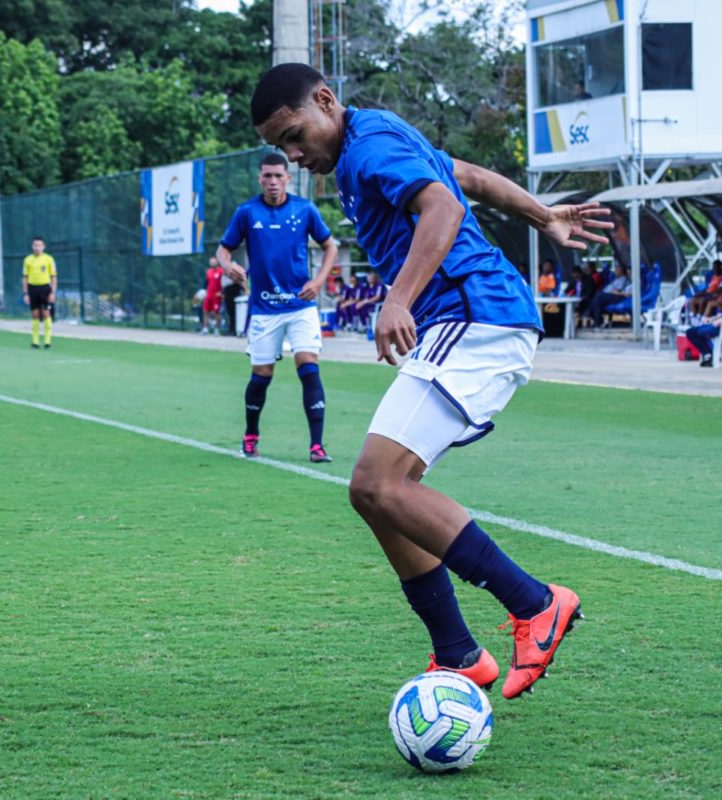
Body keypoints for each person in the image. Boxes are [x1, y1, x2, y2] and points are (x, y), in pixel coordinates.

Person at [250, 63, 611, 699]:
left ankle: (536, 605)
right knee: (376, 493)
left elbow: (443, 204)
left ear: (326, 102)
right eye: (280, 147)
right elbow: (464, 177)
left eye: (295, 135)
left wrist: (399, 299)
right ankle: (458, 652)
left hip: (477, 317)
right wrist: (541, 214)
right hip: (471, 319)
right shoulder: (376, 137)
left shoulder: (367, 150)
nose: (293, 154)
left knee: (377, 482)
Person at [216, 151, 340, 463]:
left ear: (287, 178)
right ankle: (250, 436)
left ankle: (317, 445)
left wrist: (319, 281)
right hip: (264, 309)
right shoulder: (247, 212)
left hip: (300, 306)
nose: (273, 182)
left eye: (278, 176)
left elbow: (330, 246)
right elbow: (223, 250)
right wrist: (227, 265)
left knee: (308, 367)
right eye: (267, 176)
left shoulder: (305, 209)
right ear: (260, 178)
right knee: (262, 374)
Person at [22, 235, 56, 349]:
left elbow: (54, 277)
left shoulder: (49, 259)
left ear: (43, 247)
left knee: (46, 313)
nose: (37, 248)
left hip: (45, 288)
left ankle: (47, 341)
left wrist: (52, 292)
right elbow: (25, 277)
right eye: (35, 245)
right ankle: (35, 341)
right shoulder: (28, 260)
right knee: (35, 314)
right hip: (33, 288)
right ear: (32, 246)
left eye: (39, 245)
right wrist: (26, 293)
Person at [202, 257, 225, 334]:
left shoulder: (221, 271)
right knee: (205, 311)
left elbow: (224, 283)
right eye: (211, 262)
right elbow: (206, 284)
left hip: (216, 295)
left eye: (214, 261)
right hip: (208, 295)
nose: (212, 263)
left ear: (217, 262)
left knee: (216, 312)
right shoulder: (208, 271)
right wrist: (204, 292)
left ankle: (217, 330)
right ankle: (205, 329)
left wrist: (221, 292)